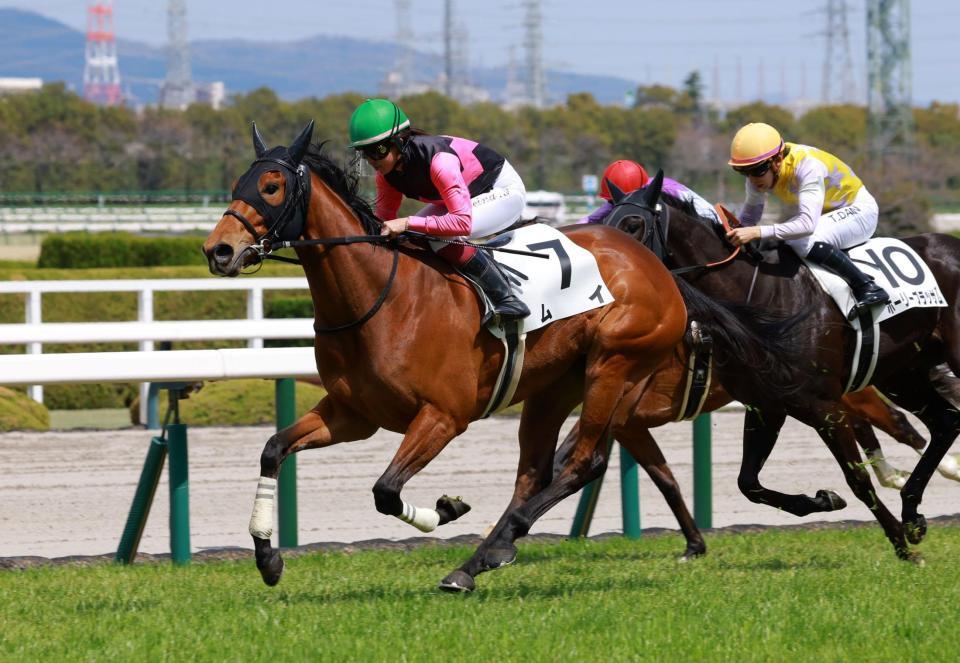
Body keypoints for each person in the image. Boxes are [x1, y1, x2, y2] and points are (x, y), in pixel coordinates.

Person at [348, 98, 529, 323]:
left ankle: (506, 298)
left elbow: (462, 223)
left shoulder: (439, 161)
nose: (372, 160)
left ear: (399, 141)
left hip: (501, 190)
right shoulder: (386, 175)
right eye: (364, 153)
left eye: (378, 150)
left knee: (434, 234)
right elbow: (384, 222)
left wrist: (406, 223)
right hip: (463, 198)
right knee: (410, 238)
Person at [724, 122, 889, 317]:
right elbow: (749, 218)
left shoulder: (807, 165)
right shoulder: (759, 174)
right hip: (828, 215)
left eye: (757, 170)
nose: (751, 178)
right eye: (743, 172)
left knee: (800, 239)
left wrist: (757, 232)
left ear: (777, 160)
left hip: (860, 212)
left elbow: (806, 225)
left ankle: (867, 287)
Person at [579, 159, 719, 224]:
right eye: (612, 201)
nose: (611, 204)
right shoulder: (619, 197)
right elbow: (591, 219)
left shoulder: (668, 188)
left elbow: (707, 212)